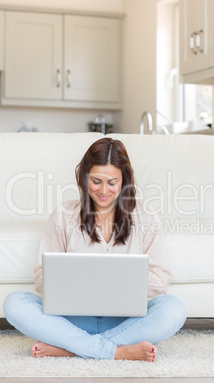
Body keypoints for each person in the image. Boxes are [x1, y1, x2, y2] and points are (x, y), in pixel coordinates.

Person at [3, 138, 187, 362]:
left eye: (112, 182)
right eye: (96, 181)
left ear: (124, 181)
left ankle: (72, 348)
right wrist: (78, 283)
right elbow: (42, 276)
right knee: (14, 303)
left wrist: (115, 283)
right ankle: (116, 351)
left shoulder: (145, 215)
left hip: (124, 320)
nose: (103, 191)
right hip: (74, 318)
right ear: (85, 178)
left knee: (174, 308)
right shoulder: (64, 214)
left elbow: (160, 277)